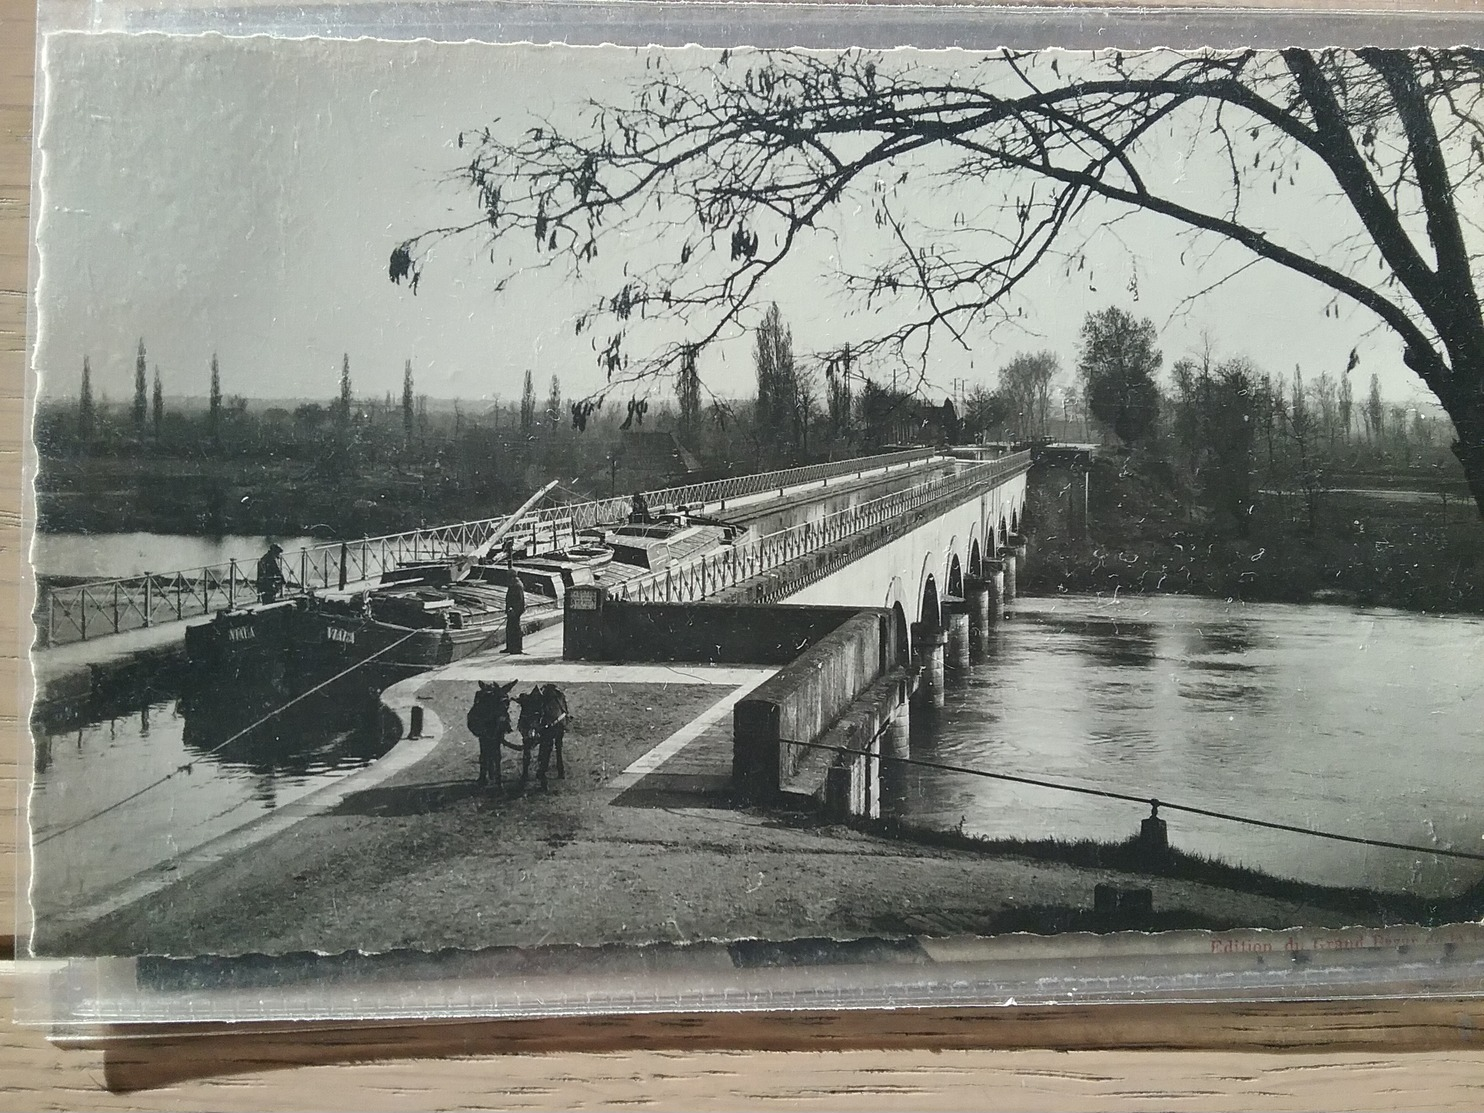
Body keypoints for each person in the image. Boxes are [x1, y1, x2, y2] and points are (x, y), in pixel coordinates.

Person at [502, 557, 526, 654]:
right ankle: (510, 647)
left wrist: (513, 610)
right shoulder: (514, 584)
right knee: (510, 629)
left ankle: (516, 648)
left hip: (515, 612)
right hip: (512, 611)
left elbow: (519, 600)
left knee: (515, 629)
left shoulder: (517, 585)